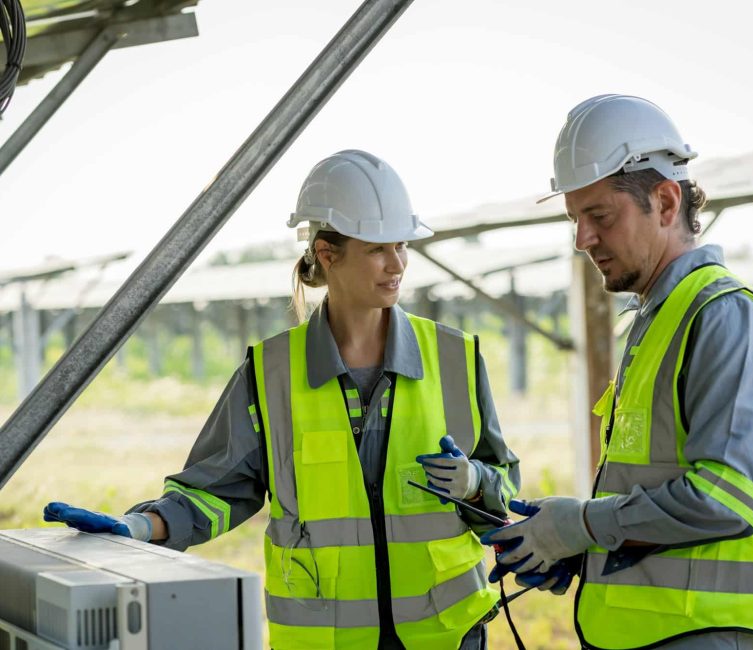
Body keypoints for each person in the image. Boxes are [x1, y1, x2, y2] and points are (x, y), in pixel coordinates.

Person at [43, 149, 521, 650]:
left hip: (446, 635)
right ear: (328, 253)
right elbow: (218, 490)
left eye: (402, 245)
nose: (398, 263)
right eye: (378, 248)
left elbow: (504, 487)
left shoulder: (454, 356)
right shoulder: (270, 373)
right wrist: (139, 525)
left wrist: (475, 484)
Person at [482, 95, 753, 650]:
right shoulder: (661, 322)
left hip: (716, 636)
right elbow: (659, 504)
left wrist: (582, 525)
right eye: (574, 219)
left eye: (599, 216)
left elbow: (726, 498)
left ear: (665, 200)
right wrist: (586, 551)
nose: (582, 239)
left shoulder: (723, 316)